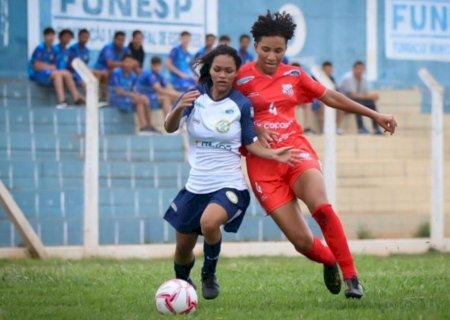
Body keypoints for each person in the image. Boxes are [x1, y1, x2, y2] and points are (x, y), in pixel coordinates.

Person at [235, 11, 397, 299]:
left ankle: (351, 277)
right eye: (266, 49)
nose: (273, 56)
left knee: (320, 206)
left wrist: (375, 114)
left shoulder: (294, 75)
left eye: (279, 50)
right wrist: (254, 126)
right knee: (301, 241)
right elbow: (225, 112)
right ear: (254, 45)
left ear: (286, 49)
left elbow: (331, 97)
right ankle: (330, 260)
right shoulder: (240, 77)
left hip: (296, 153)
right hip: (262, 166)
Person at [164, 45, 301, 300]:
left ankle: (209, 273)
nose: (223, 75)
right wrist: (177, 108)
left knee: (209, 223)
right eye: (218, 69)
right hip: (196, 185)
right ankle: (182, 288)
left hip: (229, 184)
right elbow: (169, 127)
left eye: (229, 70)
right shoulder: (193, 97)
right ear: (210, 70)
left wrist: (273, 153)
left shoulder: (241, 103)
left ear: (236, 73)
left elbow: (249, 143)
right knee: (183, 248)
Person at [28, 27, 84, 108]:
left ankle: (76, 98)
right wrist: (50, 67)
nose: (51, 38)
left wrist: (53, 68)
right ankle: (62, 101)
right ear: (44, 37)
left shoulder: (55, 50)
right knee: (57, 75)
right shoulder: (40, 48)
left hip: (50, 74)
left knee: (66, 73)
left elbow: (57, 67)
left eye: (52, 36)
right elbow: (37, 66)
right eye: (48, 35)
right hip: (39, 75)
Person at [108, 54, 157, 134]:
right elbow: (118, 91)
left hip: (127, 98)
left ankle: (148, 126)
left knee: (144, 99)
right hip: (116, 99)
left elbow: (135, 91)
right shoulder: (116, 73)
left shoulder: (133, 75)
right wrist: (134, 95)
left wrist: (141, 96)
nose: (128, 64)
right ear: (122, 63)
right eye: (126, 62)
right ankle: (143, 127)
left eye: (130, 62)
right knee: (139, 100)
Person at [339, 61, 383, 135]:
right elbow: (353, 95)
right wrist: (370, 96)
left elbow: (364, 94)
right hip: (342, 104)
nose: (360, 71)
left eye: (362, 69)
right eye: (358, 69)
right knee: (358, 102)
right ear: (353, 69)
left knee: (371, 103)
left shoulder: (364, 79)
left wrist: (372, 97)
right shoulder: (348, 78)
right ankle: (361, 128)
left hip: (355, 101)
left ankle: (376, 128)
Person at [94, 31, 133, 101]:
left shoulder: (125, 49)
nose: (121, 42)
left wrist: (128, 63)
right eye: (119, 40)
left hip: (114, 70)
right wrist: (124, 64)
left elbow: (131, 60)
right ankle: (103, 98)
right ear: (114, 39)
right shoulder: (108, 48)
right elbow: (110, 64)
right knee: (107, 73)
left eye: (123, 40)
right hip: (101, 69)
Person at [311, 61, 345, 134]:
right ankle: (323, 129)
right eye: (326, 70)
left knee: (341, 107)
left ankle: (336, 128)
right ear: (322, 70)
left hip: (328, 99)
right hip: (316, 99)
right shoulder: (315, 78)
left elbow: (336, 91)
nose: (328, 72)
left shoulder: (332, 79)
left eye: (330, 70)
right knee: (323, 105)